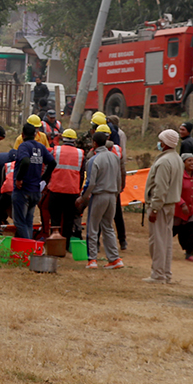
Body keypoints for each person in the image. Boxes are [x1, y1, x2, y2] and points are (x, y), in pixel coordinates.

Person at [76, 131, 123, 269]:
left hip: (99, 195)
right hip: (112, 195)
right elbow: (119, 178)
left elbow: (90, 183)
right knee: (108, 227)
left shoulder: (93, 160)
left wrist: (82, 197)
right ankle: (115, 258)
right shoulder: (115, 157)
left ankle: (92, 259)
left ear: (94, 143)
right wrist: (116, 193)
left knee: (93, 227)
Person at [143, 129, 183, 283]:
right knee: (165, 241)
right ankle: (165, 273)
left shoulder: (165, 161)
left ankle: (158, 275)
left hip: (160, 206)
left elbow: (160, 188)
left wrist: (154, 208)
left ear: (165, 143)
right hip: (169, 205)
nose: (159, 143)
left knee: (157, 241)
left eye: (161, 141)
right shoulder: (176, 158)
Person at [12, 123, 56, 239]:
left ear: (22, 134)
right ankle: (29, 247)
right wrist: (42, 178)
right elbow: (52, 163)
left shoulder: (24, 146)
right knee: (28, 222)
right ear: (36, 134)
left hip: (23, 190)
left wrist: (19, 179)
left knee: (20, 222)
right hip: (35, 191)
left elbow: (25, 161)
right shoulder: (41, 147)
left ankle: (28, 249)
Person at [49, 129, 85, 244]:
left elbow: (48, 169)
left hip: (55, 189)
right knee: (69, 219)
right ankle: (66, 243)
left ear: (62, 139)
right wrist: (78, 188)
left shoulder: (55, 150)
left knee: (55, 218)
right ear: (74, 140)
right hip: (72, 191)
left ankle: (54, 243)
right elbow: (82, 173)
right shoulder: (80, 154)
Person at [174, 153, 193, 262]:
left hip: (192, 209)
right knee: (174, 230)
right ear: (183, 163)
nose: (192, 163)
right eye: (189, 161)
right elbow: (175, 192)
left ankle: (190, 252)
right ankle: (159, 247)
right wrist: (182, 204)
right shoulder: (178, 176)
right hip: (179, 209)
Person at [106, 114, 129, 251]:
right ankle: (123, 240)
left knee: (100, 216)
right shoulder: (119, 144)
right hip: (115, 184)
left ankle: (96, 243)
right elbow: (122, 170)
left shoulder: (100, 150)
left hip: (105, 186)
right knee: (117, 213)